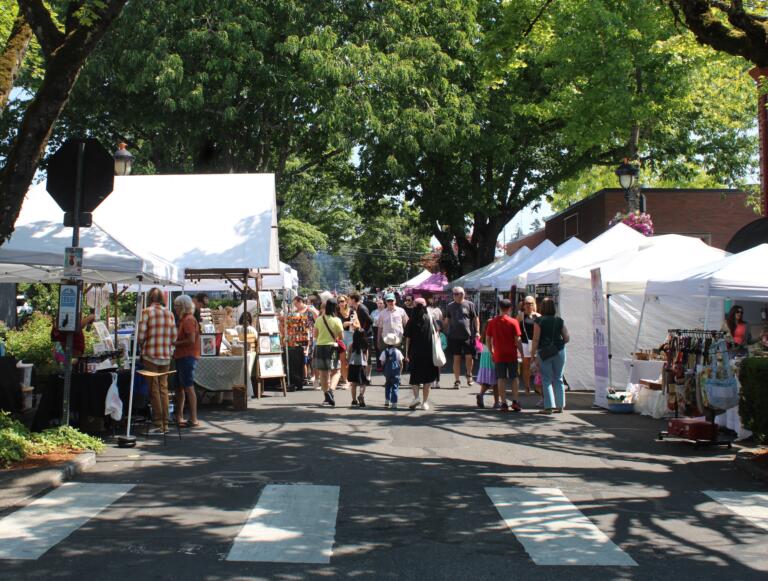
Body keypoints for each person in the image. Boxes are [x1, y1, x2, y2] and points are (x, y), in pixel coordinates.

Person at [138, 287, 177, 434]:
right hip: (165, 356)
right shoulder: (169, 313)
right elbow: (174, 338)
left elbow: (141, 336)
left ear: (149, 298)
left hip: (150, 355)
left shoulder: (146, 312)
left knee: (153, 389)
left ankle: (158, 422)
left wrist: (143, 343)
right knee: (163, 388)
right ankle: (166, 422)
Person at [530, 297, 570, 415]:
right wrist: (559, 343)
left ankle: (548, 407)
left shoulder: (539, 321)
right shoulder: (559, 320)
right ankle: (560, 406)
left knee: (546, 379)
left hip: (544, 352)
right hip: (559, 350)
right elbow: (567, 338)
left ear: (542, 307)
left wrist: (533, 355)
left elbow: (536, 339)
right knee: (558, 378)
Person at [486, 298, 523, 412]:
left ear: (499, 308)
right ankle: (515, 401)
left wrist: (491, 350)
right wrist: (521, 353)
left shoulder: (492, 322)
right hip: (511, 353)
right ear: (510, 308)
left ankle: (503, 403)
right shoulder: (514, 322)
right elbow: (517, 340)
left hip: (499, 354)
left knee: (501, 378)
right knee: (514, 377)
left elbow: (488, 338)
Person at [403, 298, 439, 410]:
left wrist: (406, 354)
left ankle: (417, 397)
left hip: (415, 352)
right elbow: (437, 332)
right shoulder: (430, 318)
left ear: (414, 306)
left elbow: (407, 339)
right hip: (428, 352)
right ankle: (425, 403)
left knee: (415, 377)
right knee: (427, 379)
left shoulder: (411, 320)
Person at [444, 286, 480, 388]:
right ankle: (457, 380)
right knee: (457, 358)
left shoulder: (470, 304)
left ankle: (469, 375)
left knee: (469, 357)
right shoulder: (450, 306)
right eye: (456, 294)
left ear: (464, 294)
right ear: (453, 295)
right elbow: (446, 320)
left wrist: (477, 331)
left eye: (461, 294)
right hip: (454, 337)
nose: (459, 296)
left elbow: (476, 319)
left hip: (468, 336)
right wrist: (440, 330)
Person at [173, 294, 200, 428]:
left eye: (176, 306)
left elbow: (190, 340)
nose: (175, 308)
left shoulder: (188, 320)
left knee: (188, 387)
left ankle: (193, 418)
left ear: (183, 306)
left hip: (187, 356)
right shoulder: (185, 319)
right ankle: (180, 416)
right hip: (182, 356)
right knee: (180, 388)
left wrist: (175, 343)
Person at [313, 297, 344, 407]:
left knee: (323, 373)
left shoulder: (319, 319)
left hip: (320, 347)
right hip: (331, 347)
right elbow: (341, 337)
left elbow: (315, 335)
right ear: (335, 307)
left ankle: (326, 395)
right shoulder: (337, 320)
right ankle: (331, 391)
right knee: (336, 371)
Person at [349, 292, 374, 383]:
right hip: (361, 336)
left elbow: (370, 320)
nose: (348, 301)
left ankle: (368, 377)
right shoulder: (356, 308)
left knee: (367, 357)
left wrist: (363, 330)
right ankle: (363, 376)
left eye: (349, 299)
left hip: (366, 336)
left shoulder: (362, 308)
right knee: (362, 356)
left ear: (353, 300)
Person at [517, 296, 540, 396]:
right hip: (525, 343)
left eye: (531, 303)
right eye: (527, 303)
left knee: (537, 365)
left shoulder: (538, 316)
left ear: (534, 304)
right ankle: (527, 386)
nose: (529, 305)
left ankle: (537, 385)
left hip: (536, 343)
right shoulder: (521, 316)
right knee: (526, 365)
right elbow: (515, 329)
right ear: (524, 305)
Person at [347, 321, 369, 408]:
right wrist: (366, 365)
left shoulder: (351, 345)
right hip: (361, 365)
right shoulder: (365, 345)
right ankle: (361, 395)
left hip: (352, 365)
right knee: (363, 382)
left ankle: (354, 400)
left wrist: (348, 362)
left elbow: (348, 355)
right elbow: (366, 357)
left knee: (354, 383)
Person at [380, 333, 403, 409]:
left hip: (387, 372)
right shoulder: (398, 352)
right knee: (395, 386)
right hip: (395, 371)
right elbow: (400, 362)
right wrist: (400, 371)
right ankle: (394, 403)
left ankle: (387, 400)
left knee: (388, 386)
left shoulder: (384, 352)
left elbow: (382, 362)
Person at [475, 335, 498, 409]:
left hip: (484, 354)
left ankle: (481, 396)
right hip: (491, 354)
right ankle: (496, 402)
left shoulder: (485, 329)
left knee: (487, 379)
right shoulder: (493, 329)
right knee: (495, 380)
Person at [337, 294, 353, 389]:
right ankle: (346, 380)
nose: (341, 303)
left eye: (342, 301)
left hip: (351, 335)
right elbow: (337, 326)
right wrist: (345, 324)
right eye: (339, 302)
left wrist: (350, 323)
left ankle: (350, 380)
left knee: (350, 359)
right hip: (341, 336)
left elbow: (357, 323)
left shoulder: (352, 311)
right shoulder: (336, 313)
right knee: (343, 360)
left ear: (346, 301)